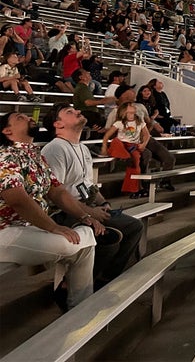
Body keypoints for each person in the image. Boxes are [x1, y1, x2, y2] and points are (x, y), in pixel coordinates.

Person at [0, 111, 100, 311]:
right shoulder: (5, 154)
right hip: (7, 230)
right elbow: (16, 199)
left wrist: (85, 216)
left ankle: (80, 309)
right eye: (20, 117)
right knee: (72, 242)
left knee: (84, 244)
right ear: (7, 130)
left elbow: (57, 192)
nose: (29, 118)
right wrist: (54, 227)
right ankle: (78, 308)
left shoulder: (34, 154)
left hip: (31, 228)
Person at [42, 103, 143, 287]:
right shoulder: (55, 149)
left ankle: (105, 280)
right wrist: (89, 213)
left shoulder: (83, 149)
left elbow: (88, 186)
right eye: (70, 112)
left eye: (76, 109)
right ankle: (72, 285)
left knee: (134, 226)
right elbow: (56, 195)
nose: (78, 111)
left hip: (86, 206)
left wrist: (103, 203)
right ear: (58, 124)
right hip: (64, 213)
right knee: (108, 238)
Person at [102, 102, 150, 198]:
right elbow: (107, 136)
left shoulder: (140, 122)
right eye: (130, 106)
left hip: (133, 146)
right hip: (122, 145)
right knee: (116, 142)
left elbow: (147, 135)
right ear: (125, 111)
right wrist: (104, 146)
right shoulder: (119, 123)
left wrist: (143, 144)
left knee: (135, 164)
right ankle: (126, 157)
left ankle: (135, 189)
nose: (133, 106)